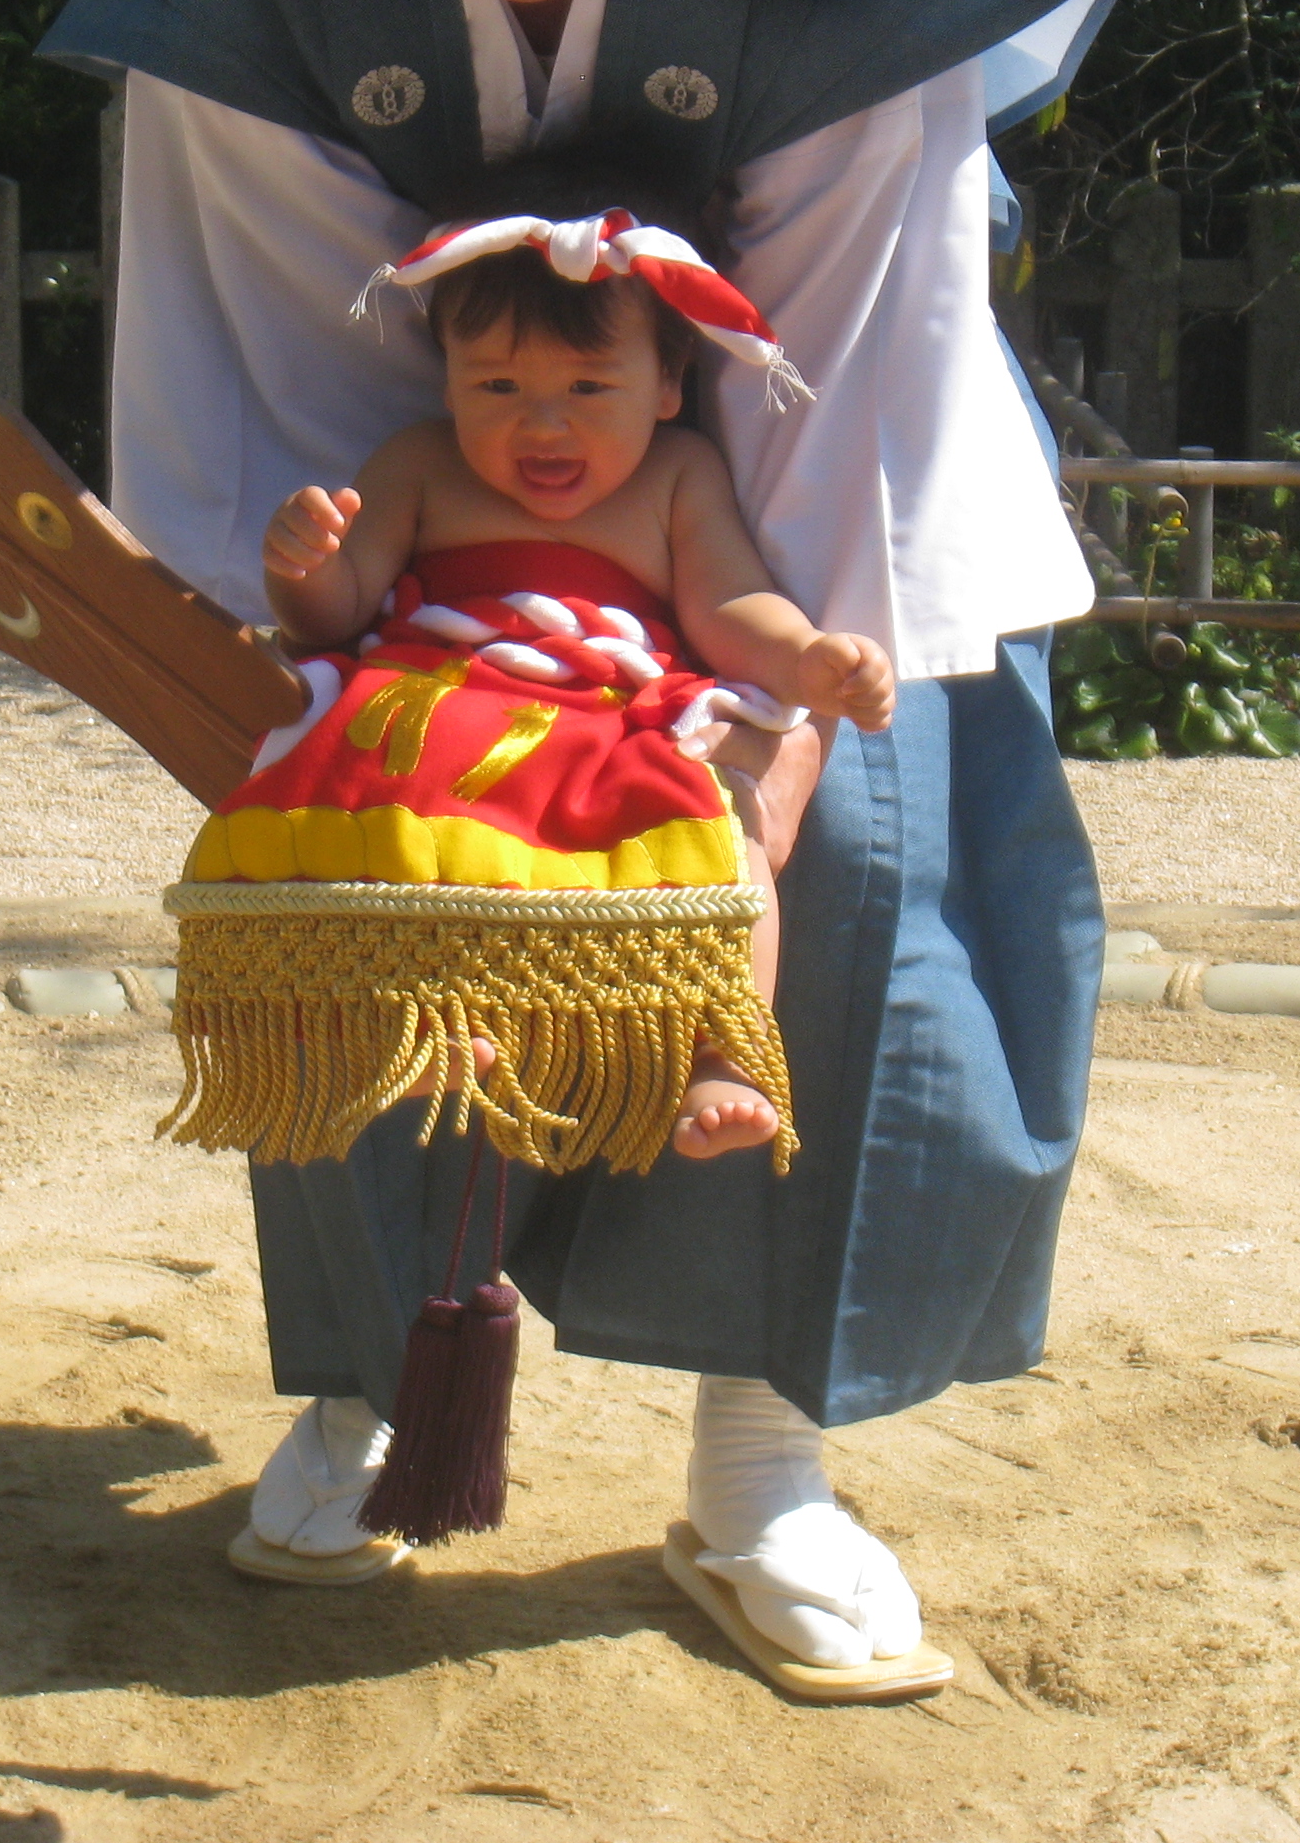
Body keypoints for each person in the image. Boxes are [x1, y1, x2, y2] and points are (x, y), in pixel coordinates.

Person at [41, 0, 1140, 1683]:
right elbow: (292, 386)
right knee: (356, 867)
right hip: (452, 512)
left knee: (850, 903)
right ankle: (374, 1387)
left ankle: (765, 1467)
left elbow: (852, 411)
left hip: (784, 500)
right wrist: (345, 644)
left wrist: (751, 775)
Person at [238, 158, 899, 1164]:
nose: (541, 422)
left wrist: (810, 659)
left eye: (590, 386)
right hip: (445, 687)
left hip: (611, 707)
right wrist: (308, 565)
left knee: (722, 824)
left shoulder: (678, 476)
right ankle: (429, 1023)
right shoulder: (420, 463)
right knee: (384, 781)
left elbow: (728, 606)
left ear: (670, 383)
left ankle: (727, 1048)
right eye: (496, 385)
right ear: (447, 376)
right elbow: (337, 613)